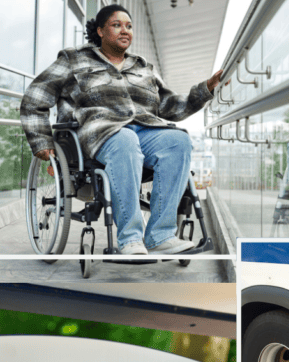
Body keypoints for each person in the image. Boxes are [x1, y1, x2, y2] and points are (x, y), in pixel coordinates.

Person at [20, 4, 225, 255]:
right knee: (125, 139)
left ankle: (160, 235)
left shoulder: (142, 67)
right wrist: (42, 141)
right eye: (117, 25)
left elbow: (169, 106)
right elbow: (35, 97)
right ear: (100, 31)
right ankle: (129, 239)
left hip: (144, 130)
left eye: (128, 26)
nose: (124, 30)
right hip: (99, 132)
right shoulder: (74, 59)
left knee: (178, 141)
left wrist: (205, 89)